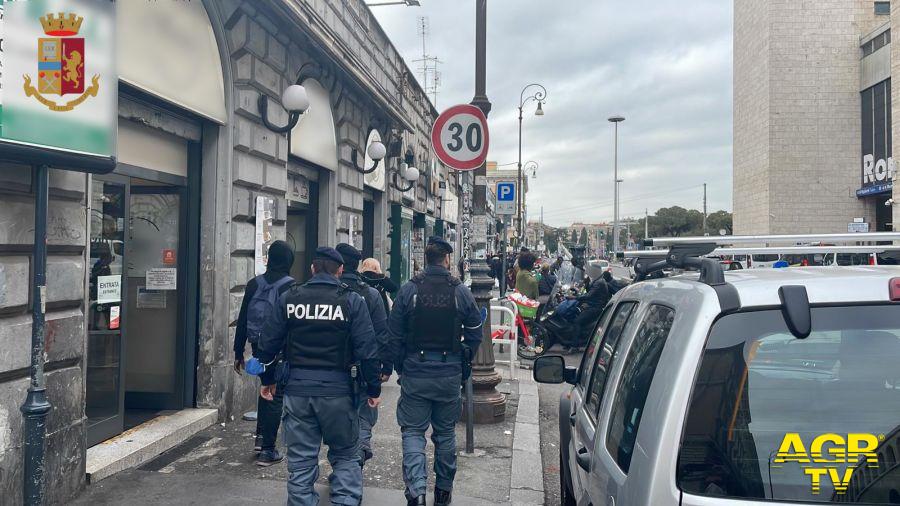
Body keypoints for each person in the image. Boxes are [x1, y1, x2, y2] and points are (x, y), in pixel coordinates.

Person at [256, 247, 381, 506]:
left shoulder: (290, 297)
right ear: (340, 271)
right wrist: (373, 389)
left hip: (297, 391)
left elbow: (267, 344)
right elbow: (367, 350)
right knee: (346, 455)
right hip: (339, 393)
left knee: (301, 462)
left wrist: (267, 380)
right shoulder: (351, 301)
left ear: (312, 269)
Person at [388, 237, 483, 506]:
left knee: (413, 434)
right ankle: (443, 491)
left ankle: (417, 492)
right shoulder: (459, 291)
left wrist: (400, 366)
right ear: (447, 259)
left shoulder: (409, 290)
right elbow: (476, 332)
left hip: (415, 371)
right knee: (445, 434)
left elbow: (393, 335)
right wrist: (464, 358)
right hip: (448, 372)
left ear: (426, 260)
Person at [233, 240, 295, 466]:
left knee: (265, 388)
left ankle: (260, 439)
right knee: (275, 394)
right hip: (279, 349)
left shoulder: (253, 284)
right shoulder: (291, 286)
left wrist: (238, 351)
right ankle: (268, 449)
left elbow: (242, 320)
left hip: (258, 345)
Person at [336, 243, 391, 469]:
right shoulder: (370, 293)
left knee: (338, 419)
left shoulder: (328, 292)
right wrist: (386, 367)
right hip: (365, 366)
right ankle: (360, 449)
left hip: (335, 368)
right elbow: (382, 333)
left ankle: (345, 463)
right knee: (365, 413)